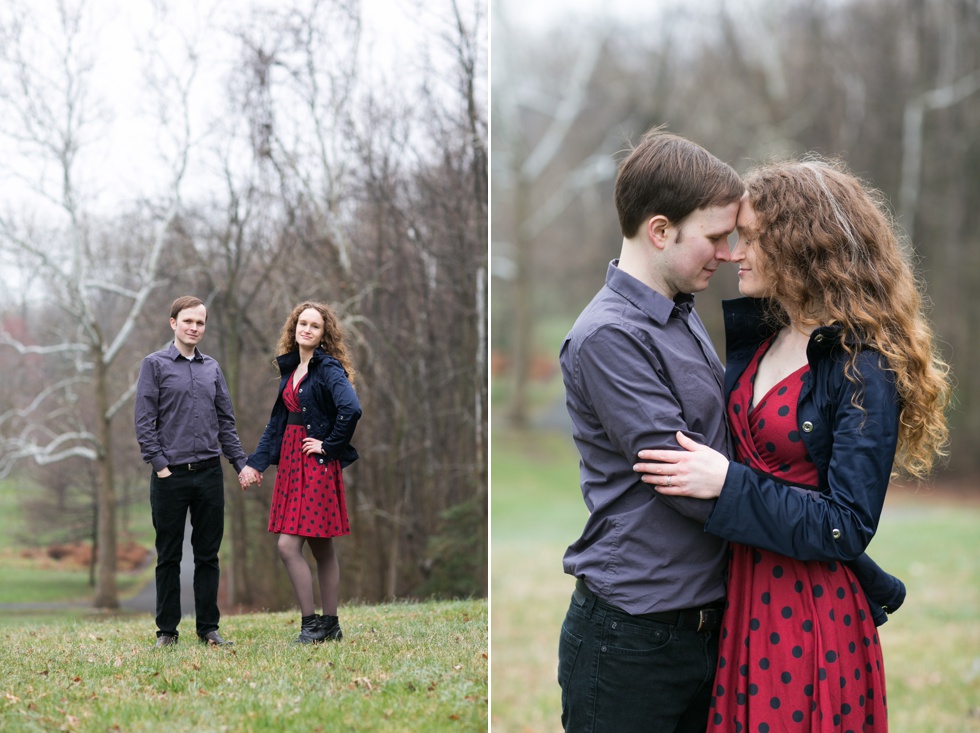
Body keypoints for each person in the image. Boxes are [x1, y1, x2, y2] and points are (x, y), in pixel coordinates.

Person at [634, 158, 952, 731]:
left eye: (752, 238)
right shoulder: (761, 337)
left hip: (809, 618)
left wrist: (728, 483)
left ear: (801, 245)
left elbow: (847, 523)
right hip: (741, 603)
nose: (734, 253)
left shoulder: (863, 367)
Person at [558, 128, 746, 733]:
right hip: (631, 642)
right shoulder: (610, 336)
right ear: (661, 231)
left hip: (702, 629)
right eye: (715, 237)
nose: (728, 252)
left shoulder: (680, 314)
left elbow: (720, 450)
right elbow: (685, 481)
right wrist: (807, 518)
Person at [239, 301, 360, 644]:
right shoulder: (292, 369)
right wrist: (255, 463)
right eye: (302, 323)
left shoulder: (328, 368)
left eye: (314, 326)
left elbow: (350, 409)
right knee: (321, 548)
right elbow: (276, 425)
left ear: (324, 335)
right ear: (294, 329)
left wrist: (328, 445)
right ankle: (331, 626)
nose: (306, 329)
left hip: (316, 465)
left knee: (288, 547)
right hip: (293, 466)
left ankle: (311, 627)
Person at [134, 295, 249, 648]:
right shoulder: (154, 365)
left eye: (200, 322)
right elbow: (143, 423)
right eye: (188, 321)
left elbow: (226, 422)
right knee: (168, 555)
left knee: (207, 555)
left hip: (210, 474)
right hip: (171, 476)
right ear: (173, 323)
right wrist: (161, 467)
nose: (194, 328)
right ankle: (167, 632)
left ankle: (208, 629)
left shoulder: (212, 368)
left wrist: (240, 463)